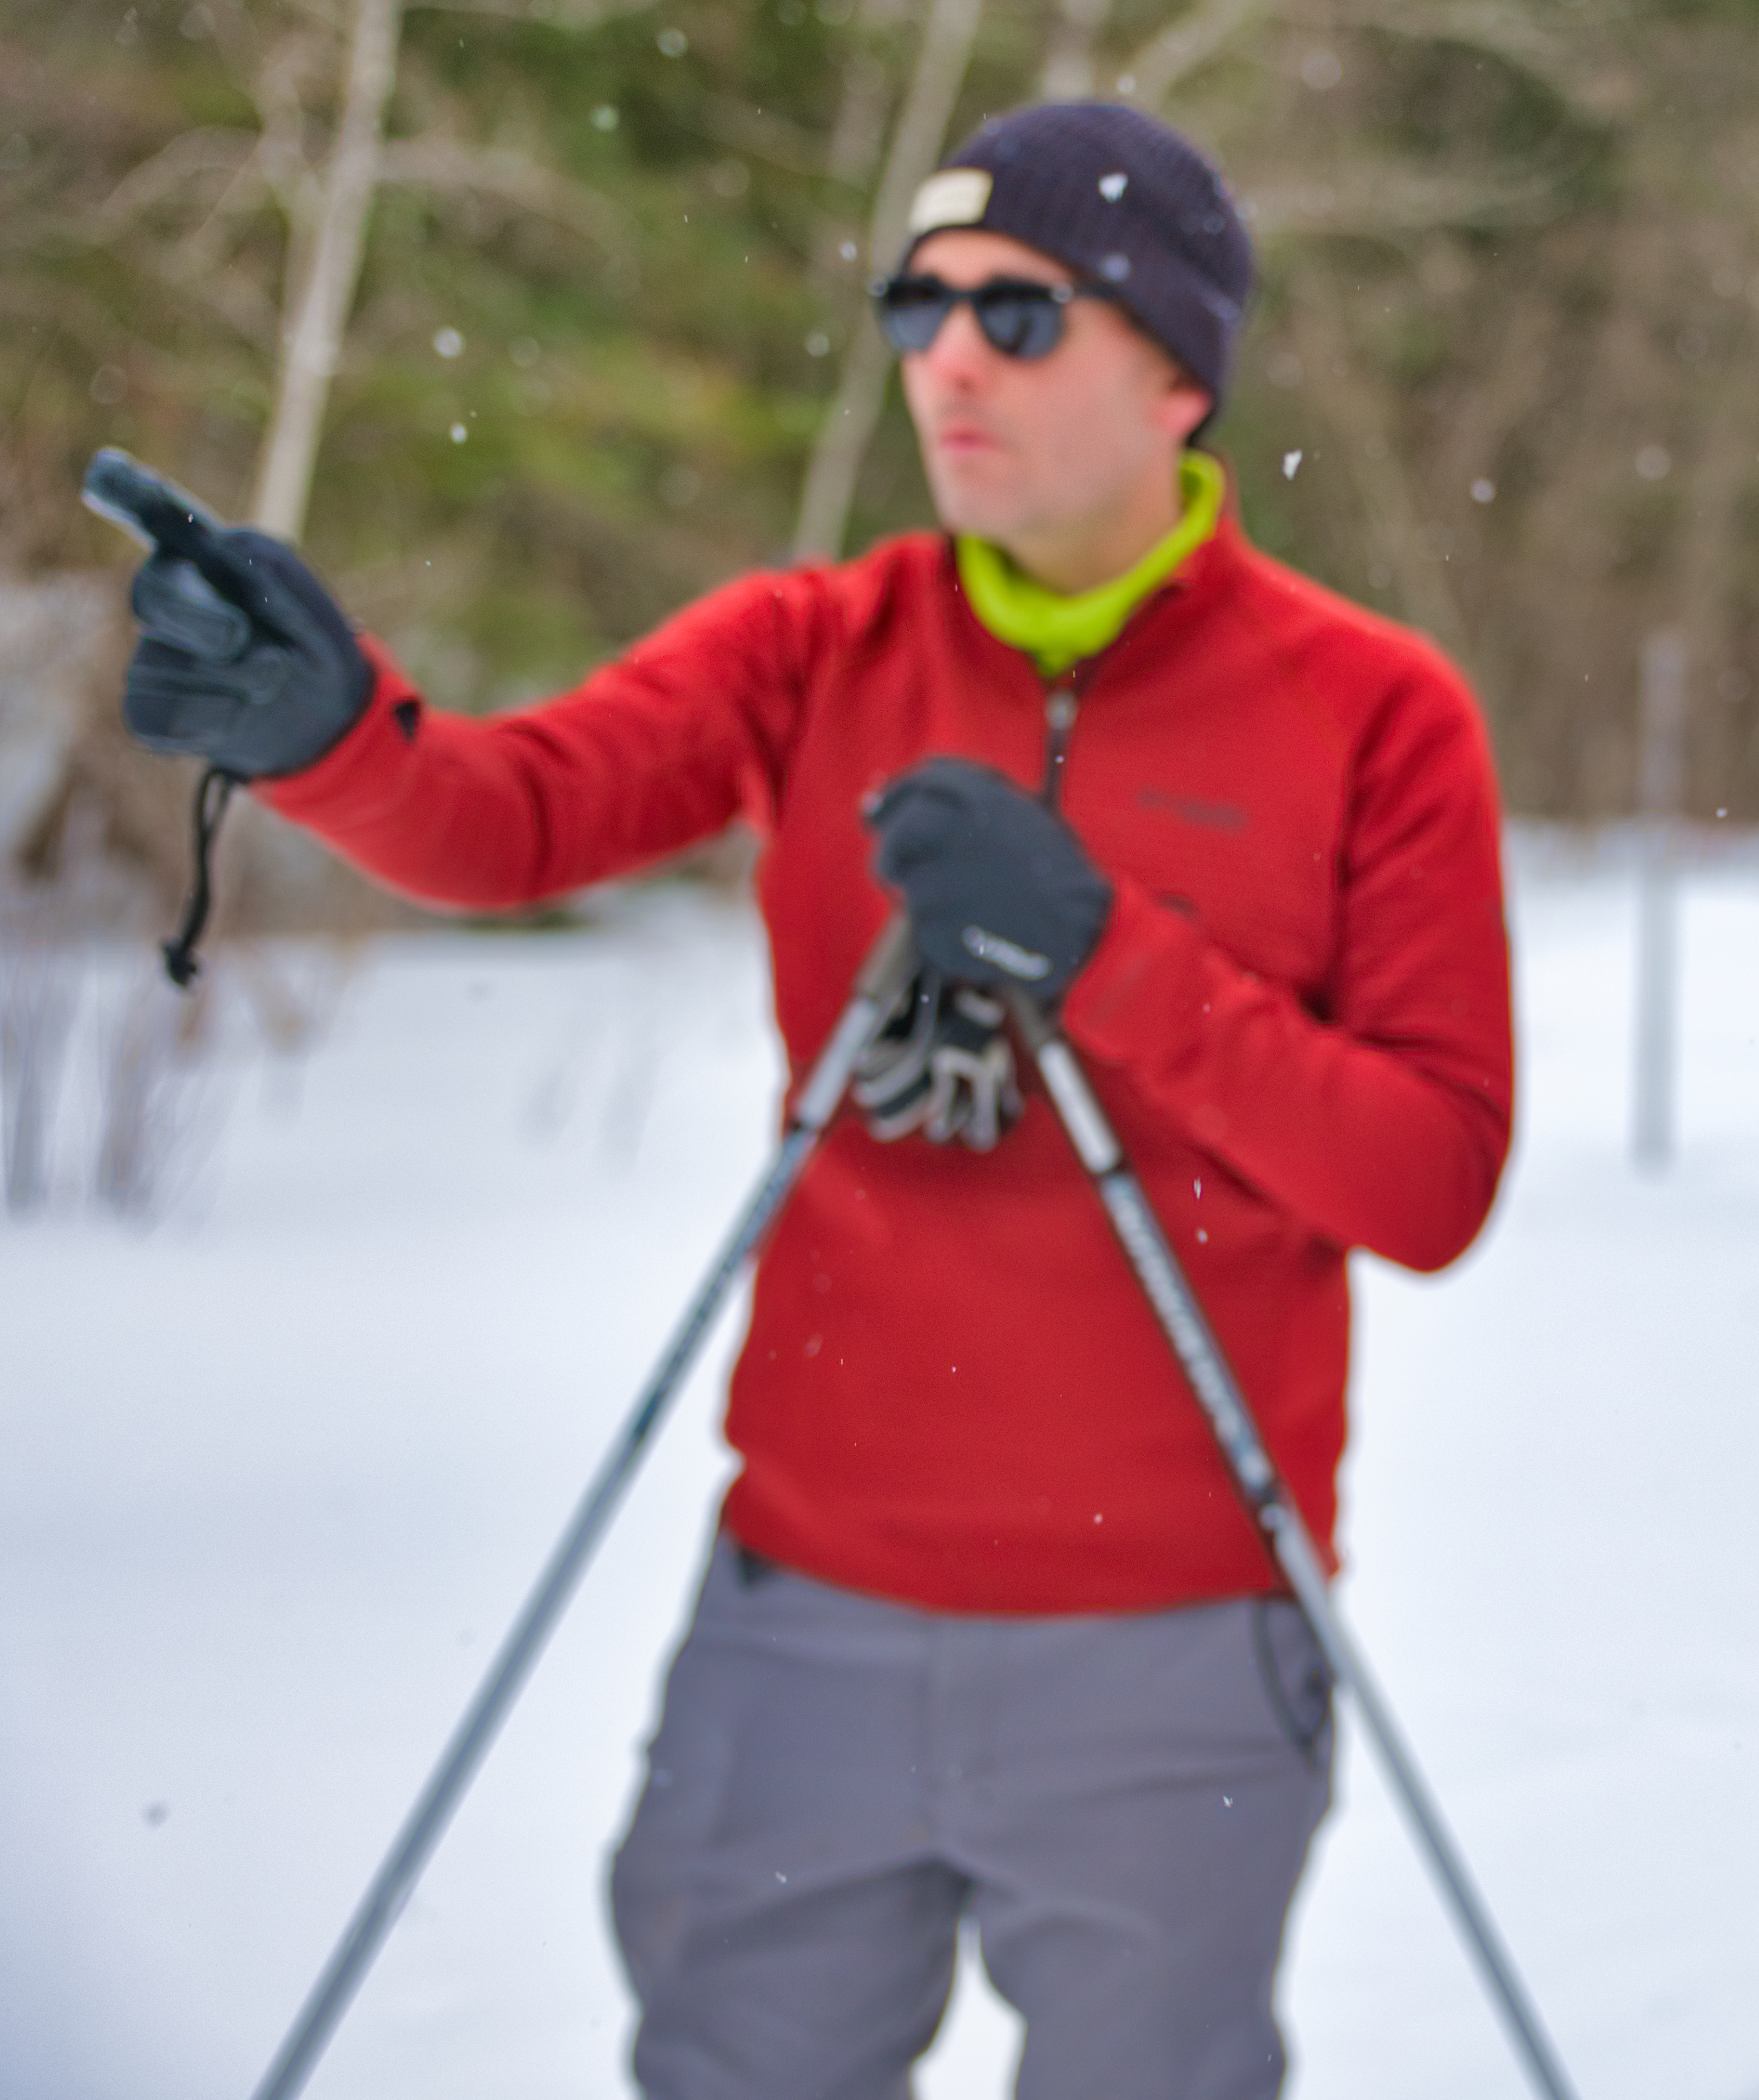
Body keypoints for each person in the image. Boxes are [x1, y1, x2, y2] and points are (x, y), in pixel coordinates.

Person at [113, 102, 1515, 2100]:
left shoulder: (1372, 712)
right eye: (915, 304)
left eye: (1017, 316)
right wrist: (330, 728)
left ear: (1178, 372)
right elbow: (509, 817)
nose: (944, 354)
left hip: (1179, 1645)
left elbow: (1430, 1175)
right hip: (804, 1630)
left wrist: (1107, 952)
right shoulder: (811, 647)